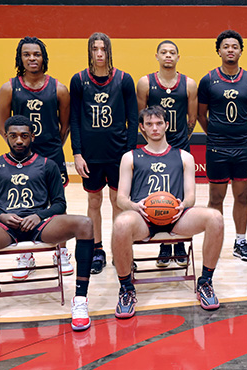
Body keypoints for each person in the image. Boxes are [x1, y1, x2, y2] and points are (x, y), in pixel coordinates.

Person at [0, 116, 95, 346]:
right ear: (6, 136)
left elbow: (59, 204)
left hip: (40, 224)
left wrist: (39, 215)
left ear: (32, 136)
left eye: (24, 135)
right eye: (13, 135)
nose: (19, 140)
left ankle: (80, 300)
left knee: (85, 224)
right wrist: (1, 216)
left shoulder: (48, 164)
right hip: (4, 227)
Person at [111, 106, 224, 318]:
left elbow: (191, 195)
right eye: (150, 124)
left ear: (167, 125)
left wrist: (183, 205)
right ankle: (126, 288)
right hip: (143, 217)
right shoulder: (130, 157)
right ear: (142, 128)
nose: (155, 128)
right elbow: (121, 199)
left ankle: (206, 282)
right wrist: (136, 206)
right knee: (120, 223)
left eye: (159, 123)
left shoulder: (183, 156)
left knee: (215, 218)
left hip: (176, 216)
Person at [0, 36, 73, 280]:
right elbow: (2, 127)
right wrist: (21, 148)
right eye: (27, 54)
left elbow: (65, 126)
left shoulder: (59, 88)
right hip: (22, 155)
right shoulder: (9, 88)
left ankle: (60, 250)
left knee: (56, 202)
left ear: (44, 58)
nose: (32, 58)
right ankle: (26, 253)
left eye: (36, 54)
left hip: (52, 154)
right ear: (20, 58)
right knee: (22, 201)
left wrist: (51, 149)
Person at [69, 32, 139, 274]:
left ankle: (121, 249)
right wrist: (77, 153)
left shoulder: (124, 79)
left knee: (118, 202)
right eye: (95, 49)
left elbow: (132, 118)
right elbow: (75, 120)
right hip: (91, 154)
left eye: (103, 49)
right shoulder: (78, 80)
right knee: (94, 200)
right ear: (89, 52)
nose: (99, 53)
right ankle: (97, 250)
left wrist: (130, 154)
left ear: (109, 52)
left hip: (118, 153)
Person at [198, 30, 247, 262]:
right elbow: (201, 115)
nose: (231, 50)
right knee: (216, 197)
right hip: (216, 147)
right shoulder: (208, 80)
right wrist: (216, 133)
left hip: (243, 146)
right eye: (226, 46)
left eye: (235, 46)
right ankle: (215, 239)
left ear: (241, 51)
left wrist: (241, 132)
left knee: (242, 197)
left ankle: (240, 241)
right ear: (219, 51)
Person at [136, 39, 198, 268]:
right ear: (157, 56)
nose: (168, 56)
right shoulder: (145, 83)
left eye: (172, 52)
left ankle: (179, 241)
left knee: (181, 194)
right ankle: (164, 244)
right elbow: (141, 118)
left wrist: (181, 139)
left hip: (180, 145)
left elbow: (192, 119)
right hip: (155, 147)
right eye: (164, 52)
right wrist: (154, 142)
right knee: (159, 192)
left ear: (178, 57)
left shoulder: (189, 84)